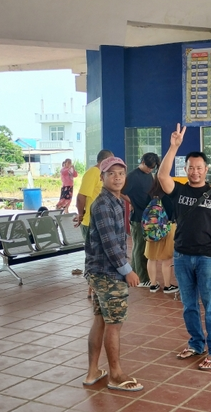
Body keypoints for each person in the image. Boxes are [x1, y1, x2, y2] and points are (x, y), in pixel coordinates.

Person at [158, 124, 211, 371]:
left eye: (199, 167)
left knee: (210, 304)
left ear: (206, 169)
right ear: (185, 169)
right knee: (189, 304)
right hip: (181, 255)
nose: (194, 171)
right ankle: (195, 343)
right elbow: (161, 176)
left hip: (206, 257)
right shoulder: (178, 190)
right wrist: (174, 146)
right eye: (190, 167)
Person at [82, 156, 143, 392]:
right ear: (102, 177)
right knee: (114, 325)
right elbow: (109, 243)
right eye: (111, 174)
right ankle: (115, 375)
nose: (117, 177)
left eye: (121, 173)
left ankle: (93, 372)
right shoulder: (104, 204)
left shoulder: (116, 200)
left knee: (101, 320)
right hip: (108, 274)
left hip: (99, 272)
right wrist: (127, 271)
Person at [122, 152, 160, 288]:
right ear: (142, 162)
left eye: (152, 168)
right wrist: (131, 202)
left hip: (147, 214)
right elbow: (121, 191)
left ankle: (135, 274)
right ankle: (144, 279)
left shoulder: (148, 175)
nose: (150, 170)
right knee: (140, 247)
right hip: (138, 216)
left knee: (139, 247)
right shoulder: (133, 176)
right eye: (148, 167)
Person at [144, 175, 178, 294]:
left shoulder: (150, 193)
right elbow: (172, 212)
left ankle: (153, 285)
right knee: (166, 259)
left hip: (151, 229)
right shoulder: (169, 194)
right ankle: (167, 286)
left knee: (151, 258)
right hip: (167, 228)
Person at [74, 150, 113, 239]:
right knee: (94, 252)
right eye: (111, 160)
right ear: (105, 160)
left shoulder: (104, 174)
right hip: (91, 222)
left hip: (102, 220)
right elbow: (81, 197)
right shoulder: (93, 172)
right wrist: (80, 215)